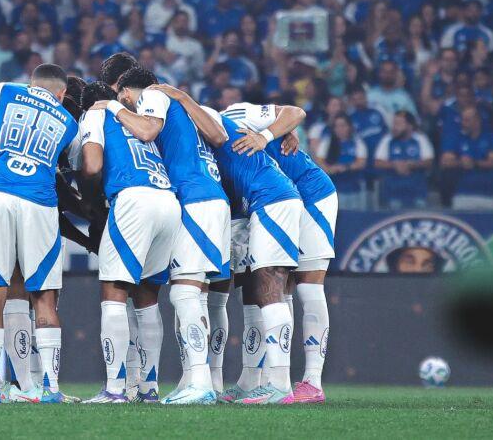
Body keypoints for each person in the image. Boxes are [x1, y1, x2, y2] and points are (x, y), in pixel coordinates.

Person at [108, 67, 229, 405]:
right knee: (198, 296)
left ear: (128, 91)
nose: (127, 105)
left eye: (124, 98)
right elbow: (219, 138)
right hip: (214, 197)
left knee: (184, 295)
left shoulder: (152, 96)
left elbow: (147, 131)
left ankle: (201, 382)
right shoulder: (188, 108)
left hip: (193, 198)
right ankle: (195, 378)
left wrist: (112, 108)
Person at [0, 64, 79, 404]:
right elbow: (74, 167)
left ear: (31, 83)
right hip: (40, 202)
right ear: (61, 94)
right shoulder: (68, 121)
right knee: (43, 296)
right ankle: (51, 388)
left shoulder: (5, 91)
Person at [222, 103, 335, 404]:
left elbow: (295, 112)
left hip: (311, 194)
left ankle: (312, 381)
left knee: (309, 286)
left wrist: (268, 134)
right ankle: (264, 380)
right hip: (272, 201)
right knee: (274, 285)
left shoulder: (233, 114)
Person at [75, 81, 180, 404]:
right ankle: (148, 387)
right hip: (167, 200)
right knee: (147, 297)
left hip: (133, 199)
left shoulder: (95, 115)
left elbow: (92, 166)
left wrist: (88, 197)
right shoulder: (134, 118)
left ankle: (115, 388)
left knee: (113, 294)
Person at [441, 106, 493, 209]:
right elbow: (445, 161)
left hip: (489, 193)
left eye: (467, 120)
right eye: (463, 119)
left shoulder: (491, 137)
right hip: (463, 193)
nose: (463, 123)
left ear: (477, 120)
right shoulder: (456, 137)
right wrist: (461, 163)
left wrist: (474, 163)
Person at [374, 111, 434, 208]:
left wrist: (412, 164)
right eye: (394, 123)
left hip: (417, 193)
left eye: (398, 124)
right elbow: (378, 162)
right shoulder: (387, 140)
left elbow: (429, 161)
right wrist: (394, 165)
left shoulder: (421, 139)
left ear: (410, 126)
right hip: (393, 193)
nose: (394, 127)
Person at [315, 114, 367, 209]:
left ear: (349, 127)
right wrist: (330, 169)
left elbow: (361, 162)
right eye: (337, 126)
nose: (340, 129)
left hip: (353, 188)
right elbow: (319, 161)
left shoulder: (357, 142)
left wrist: (346, 167)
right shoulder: (327, 142)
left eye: (343, 126)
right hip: (333, 189)